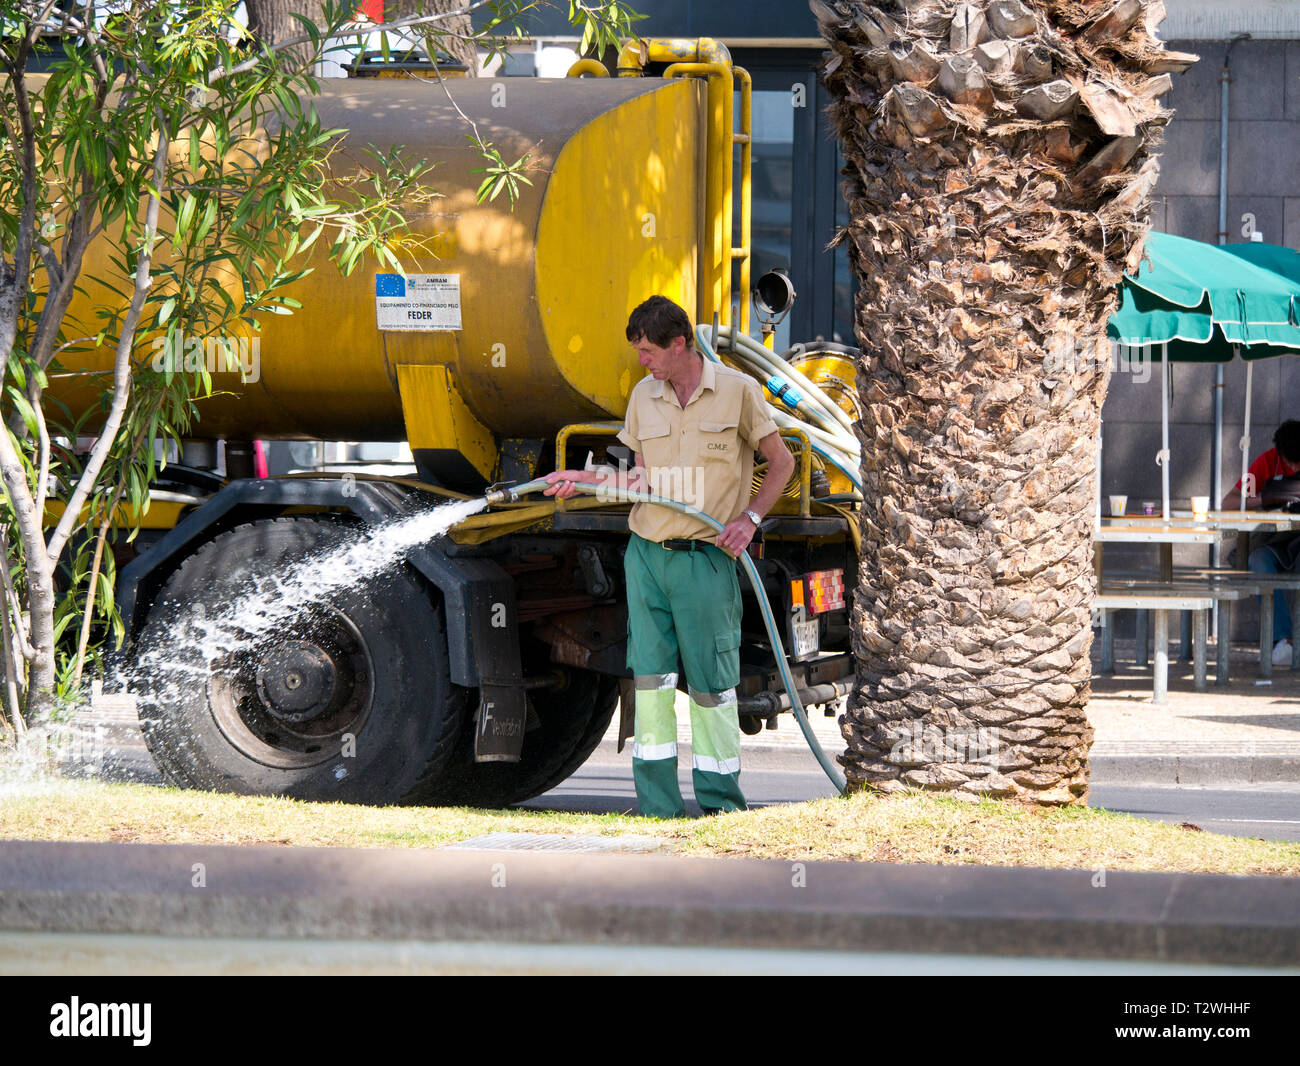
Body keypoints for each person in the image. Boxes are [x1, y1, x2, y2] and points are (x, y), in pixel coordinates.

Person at [545, 296, 795, 817]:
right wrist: (584, 480)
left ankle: (721, 803)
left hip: (703, 560)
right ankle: (657, 806)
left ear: (678, 344)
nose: (642, 361)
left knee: (711, 685)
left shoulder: (738, 393)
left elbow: (782, 463)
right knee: (651, 682)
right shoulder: (644, 396)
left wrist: (749, 521)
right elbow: (642, 482)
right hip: (647, 557)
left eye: (647, 350)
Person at [1221, 419, 1300, 665]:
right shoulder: (1267, 462)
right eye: (1291, 462)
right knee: (1256, 560)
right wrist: (1267, 497)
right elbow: (1228, 503)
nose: (1296, 467)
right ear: (1280, 454)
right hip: (1274, 540)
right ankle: (1283, 640)